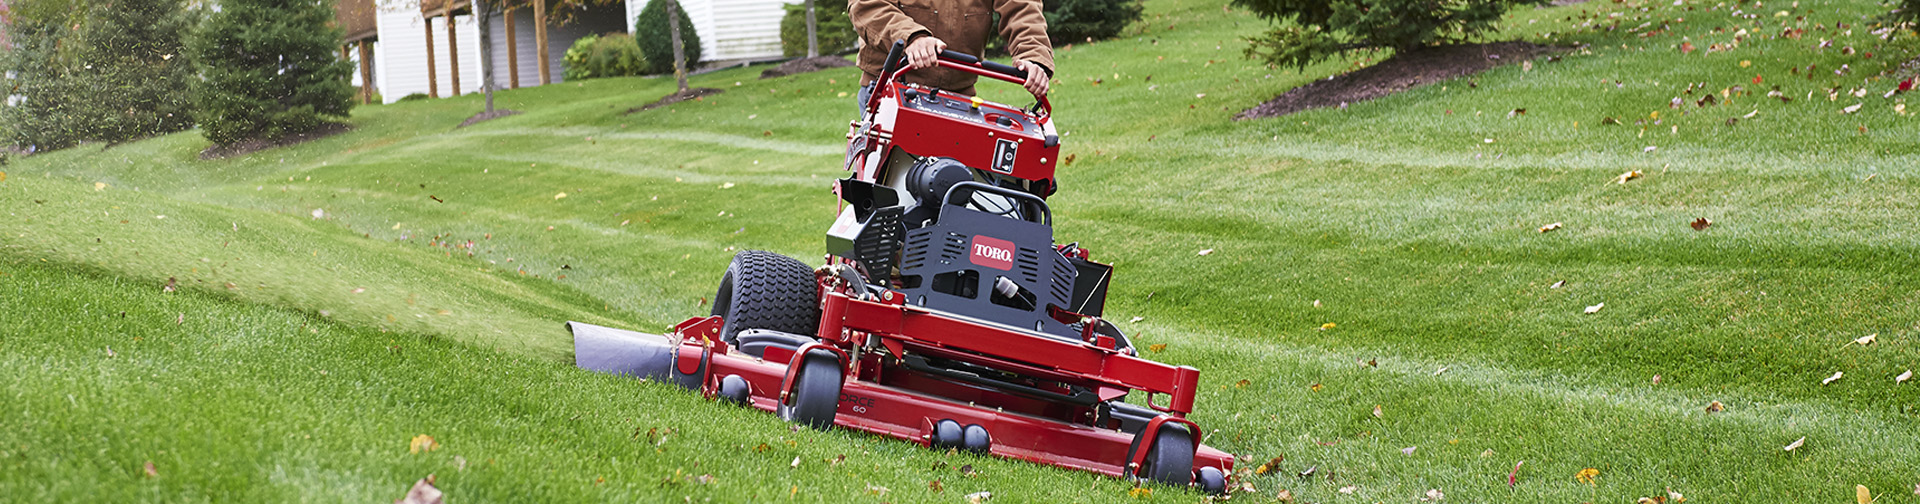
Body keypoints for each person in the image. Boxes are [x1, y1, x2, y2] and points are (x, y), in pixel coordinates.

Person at [849, 0, 1053, 106]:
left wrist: (1032, 56)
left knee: (960, 181)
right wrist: (912, 37)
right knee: (887, 182)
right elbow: (867, 6)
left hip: (958, 95)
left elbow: (1023, 10)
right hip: (890, 89)